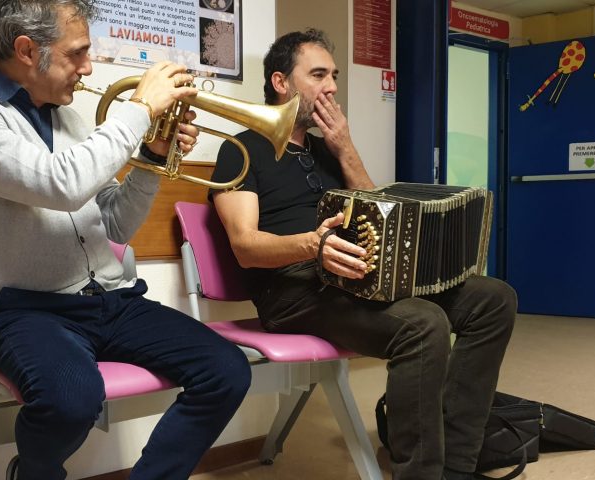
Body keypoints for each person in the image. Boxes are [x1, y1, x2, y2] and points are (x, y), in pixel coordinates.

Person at [0, 1, 251, 479]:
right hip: (20, 309)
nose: (88, 67)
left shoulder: (70, 121)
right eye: (76, 53)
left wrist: (154, 155)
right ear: (26, 50)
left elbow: (114, 225)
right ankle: (34, 471)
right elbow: (60, 185)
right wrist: (140, 110)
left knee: (227, 370)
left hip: (109, 300)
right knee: (72, 399)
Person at [210, 29, 517, 480]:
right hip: (292, 290)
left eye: (333, 76)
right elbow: (244, 246)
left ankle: (456, 467)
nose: (332, 86)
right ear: (281, 82)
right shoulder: (240, 150)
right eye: (318, 75)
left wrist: (345, 147)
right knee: (422, 324)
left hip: (354, 278)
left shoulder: (325, 150)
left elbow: (386, 214)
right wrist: (313, 246)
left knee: (495, 299)